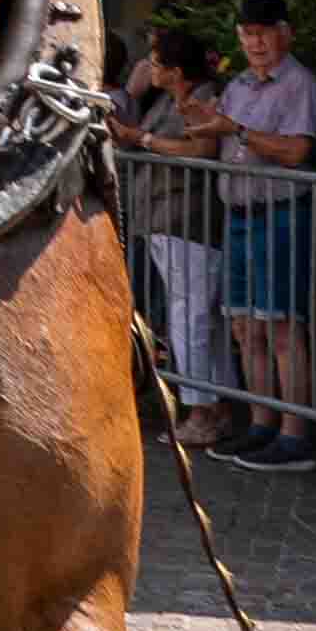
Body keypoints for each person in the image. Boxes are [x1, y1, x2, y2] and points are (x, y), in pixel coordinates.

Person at [214, 0, 316, 468]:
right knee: (244, 325)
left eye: (262, 33)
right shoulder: (236, 84)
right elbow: (221, 135)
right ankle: (261, 424)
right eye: (247, 34)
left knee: (281, 324)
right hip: (236, 212)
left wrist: (236, 131)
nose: (254, 42)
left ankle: (293, 434)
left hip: (279, 212)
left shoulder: (300, 84)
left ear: (284, 33)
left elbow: (297, 150)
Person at [111, 22, 231, 440]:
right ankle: (210, 405)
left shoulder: (202, 100)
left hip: (188, 220)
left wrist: (142, 140)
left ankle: (201, 409)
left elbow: (201, 149)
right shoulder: (165, 99)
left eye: (157, 62)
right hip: (164, 218)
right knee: (194, 315)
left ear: (178, 71)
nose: (149, 66)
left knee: (191, 316)